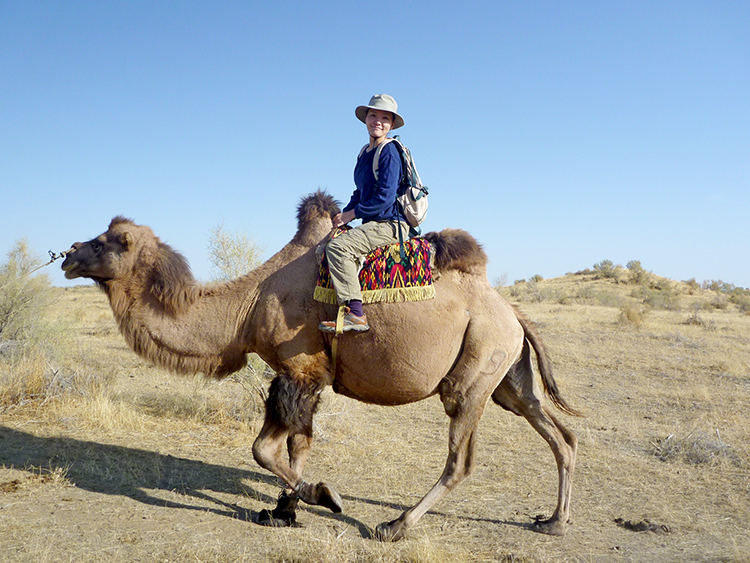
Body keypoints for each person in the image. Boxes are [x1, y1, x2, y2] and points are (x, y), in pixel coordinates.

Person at [318, 94, 409, 333]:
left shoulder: (389, 152)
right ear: (366, 119)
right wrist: (345, 213)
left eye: (384, 118)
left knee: (338, 248)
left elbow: (384, 198)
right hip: (371, 222)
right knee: (324, 245)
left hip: (390, 224)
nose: (378, 121)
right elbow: (361, 191)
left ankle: (356, 314)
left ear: (390, 124)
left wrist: (353, 214)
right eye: (373, 115)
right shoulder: (363, 153)